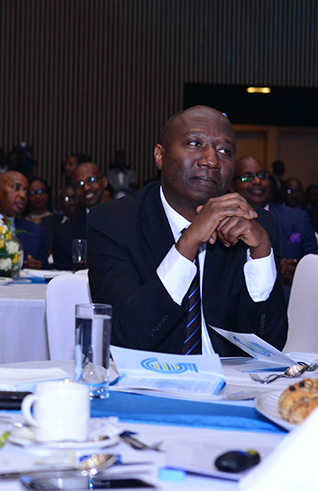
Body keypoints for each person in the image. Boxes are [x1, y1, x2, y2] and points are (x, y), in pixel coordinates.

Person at [87, 106, 287, 355]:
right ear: (160, 156)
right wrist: (189, 241)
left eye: (224, 151)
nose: (211, 161)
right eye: (194, 143)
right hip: (152, 374)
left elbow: (270, 345)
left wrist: (261, 253)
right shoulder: (114, 222)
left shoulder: (254, 224)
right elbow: (125, 338)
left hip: (230, 375)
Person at [230, 156, 318, 301]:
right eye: (247, 177)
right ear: (231, 186)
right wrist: (272, 268)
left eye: (262, 175)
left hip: (292, 302)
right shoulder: (223, 222)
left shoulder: (297, 218)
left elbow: (316, 262)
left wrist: (298, 272)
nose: (257, 181)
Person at [51, 162, 107, 270]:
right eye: (79, 185)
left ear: (104, 182)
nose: (86, 188)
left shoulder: (125, 222)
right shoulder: (64, 233)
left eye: (91, 180)